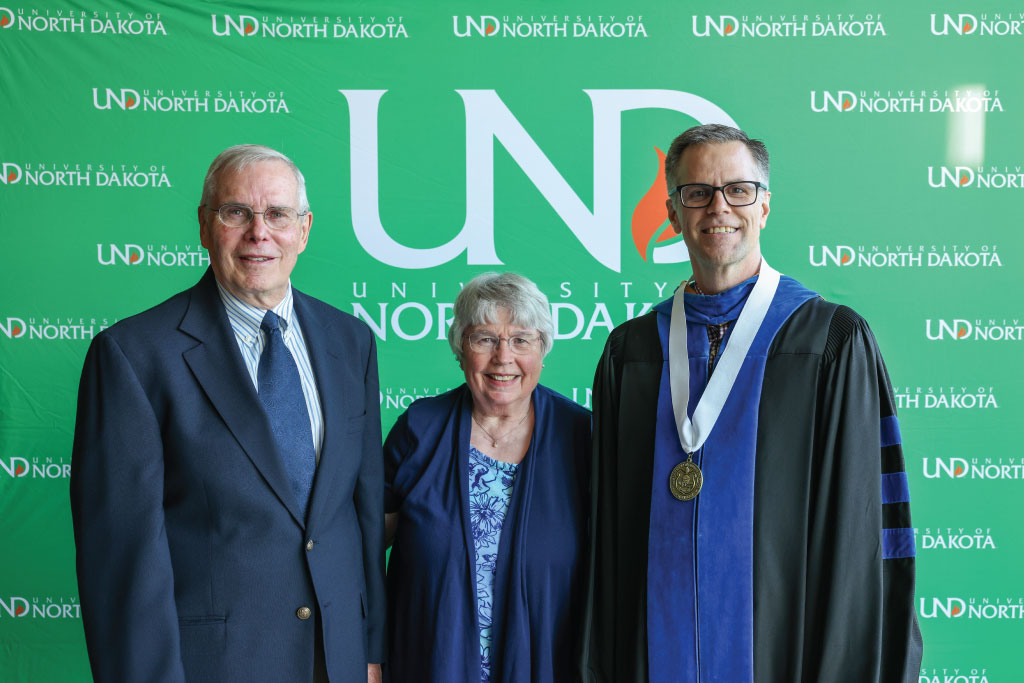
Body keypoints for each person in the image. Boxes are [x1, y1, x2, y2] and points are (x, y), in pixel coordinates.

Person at [581, 124, 922, 682]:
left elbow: (858, 532)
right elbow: (607, 541)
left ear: (764, 207)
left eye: (738, 190)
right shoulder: (632, 351)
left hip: (786, 652)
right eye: (698, 193)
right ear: (672, 213)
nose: (719, 207)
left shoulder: (831, 341)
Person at [70, 144, 385, 683]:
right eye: (236, 212)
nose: (259, 233)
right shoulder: (134, 355)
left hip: (338, 662)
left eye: (278, 214)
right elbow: (122, 559)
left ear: (304, 230)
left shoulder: (349, 341)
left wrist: (371, 649)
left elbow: (362, 514)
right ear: (204, 225)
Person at [383, 272, 591, 682]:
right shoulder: (417, 430)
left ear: (543, 350)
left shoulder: (582, 438)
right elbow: (359, 556)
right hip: (424, 665)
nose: (503, 357)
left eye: (521, 339)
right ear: (460, 350)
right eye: (484, 339)